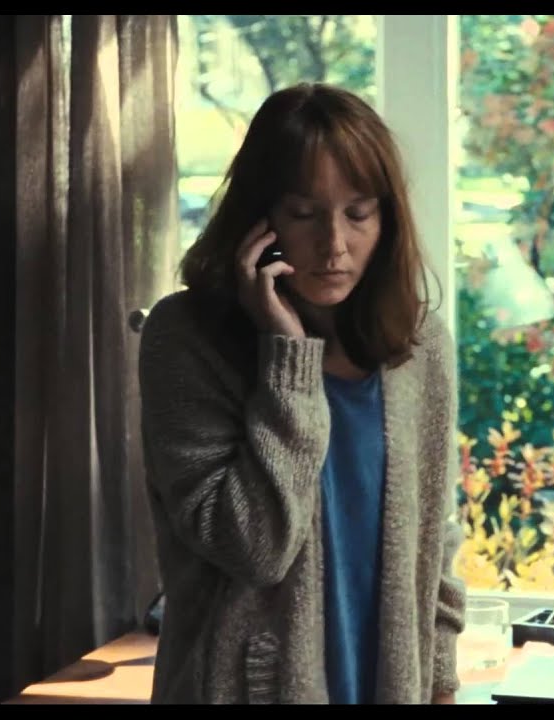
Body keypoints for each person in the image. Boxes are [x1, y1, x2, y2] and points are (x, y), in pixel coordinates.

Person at [138, 82, 467, 704]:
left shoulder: (420, 344)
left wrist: (441, 685)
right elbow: (252, 550)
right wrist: (287, 359)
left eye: (358, 214)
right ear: (259, 220)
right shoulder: (185, 339)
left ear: (387, 219)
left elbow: (434, 543)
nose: (334, 244)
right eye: (304, 213)